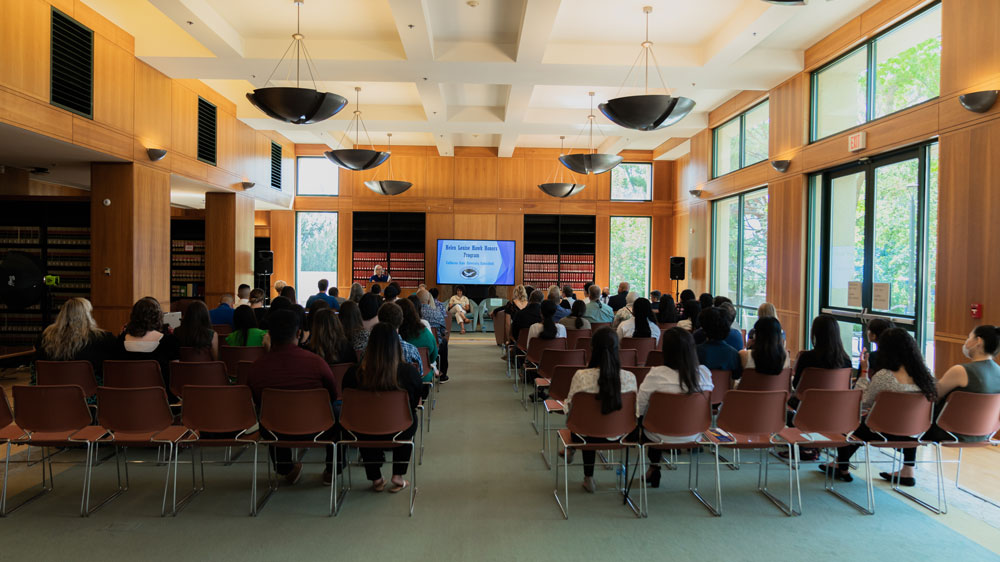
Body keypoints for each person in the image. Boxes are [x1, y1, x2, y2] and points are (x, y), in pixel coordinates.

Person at [821, 329, 938, 485]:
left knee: (849, 421)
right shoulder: (926, 377)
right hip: (914, 432)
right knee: (907, 419)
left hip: (882, 431)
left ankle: (842, 466)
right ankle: (908, 470)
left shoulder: (885, 376)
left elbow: (862, 402)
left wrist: (863, 373)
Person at [247, 309, 339, 485]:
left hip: (274, 429)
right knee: (338, 412)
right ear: (299, 334)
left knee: (267, 414)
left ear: (269, 335)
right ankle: (332, 469)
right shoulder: (316, 362)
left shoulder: (256, 368)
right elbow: (332, 395)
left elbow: (256, 401)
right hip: (319, 427)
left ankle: (286, 469)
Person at [341, 323, 422, 493]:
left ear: (370, 345)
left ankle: (375, 478)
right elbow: (415, 402)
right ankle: (398, 475)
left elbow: (346, 399)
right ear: (396, 346)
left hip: (360, 429)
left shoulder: (353, 373)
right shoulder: (408, 372)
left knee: (364, 420)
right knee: (410, 416)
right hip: (399, 429)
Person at [564, 328, 637, 493]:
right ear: (617, 349)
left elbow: (569, 408)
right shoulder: (629, 377)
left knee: (583, 424)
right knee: (589, 422)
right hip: (620, 435)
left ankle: (588, 477)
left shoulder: (581, 376)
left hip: (583, 436)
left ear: (593, 349)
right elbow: (635, 412)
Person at [638, 328, 712, 488]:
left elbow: (639, 407)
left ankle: (654, 467)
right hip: (694, 434)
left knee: (649, 420)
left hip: (657, 434)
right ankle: (654, 469)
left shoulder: (657, 374)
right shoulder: (704, 374)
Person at [933, 325, 1000, 441]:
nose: (966, 341)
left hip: (948, 431)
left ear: (978, 341)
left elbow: (934, 395)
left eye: (969, 337)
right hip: (985, 434)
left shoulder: (960, 371)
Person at [34, 297, 116, 387]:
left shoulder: (45, 337)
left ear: (62, 314)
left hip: (51, 389)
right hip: (88, 391)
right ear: (87, 315)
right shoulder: (103, 338)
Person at [117, 297, 180, 389]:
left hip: (126, 393)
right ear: (158, 316)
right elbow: (176, 374)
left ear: (134, 316)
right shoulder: (169, 341)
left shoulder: (120, 340)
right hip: (160, 395)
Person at [374, 302, 424, 374]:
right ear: (401, 321)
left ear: (379, 319)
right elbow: (420, 374)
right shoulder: (411, 350)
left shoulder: (370, 350)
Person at [696, 307, 742, 380]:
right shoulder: (734, 354)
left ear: (703, 328)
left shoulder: (695, 352)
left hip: (700, 386)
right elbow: (736, 376)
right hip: (726, 387)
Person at [398, 298, 437, 382]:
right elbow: (433, 357)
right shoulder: (425, 331)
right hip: (423, 376)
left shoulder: (393, 336)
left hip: (395, 379)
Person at [416, 288, 449, 383]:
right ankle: (442, 375)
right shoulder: (437, 313)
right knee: (444, 342)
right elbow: (443, 331)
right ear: (429, 300)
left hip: (415, 345)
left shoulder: (413, 314)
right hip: (435, 346)